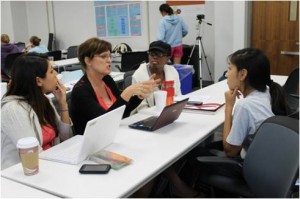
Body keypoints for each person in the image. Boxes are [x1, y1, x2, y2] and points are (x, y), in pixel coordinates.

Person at [184, 48, 290, 193]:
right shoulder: (267, 91)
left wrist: (229, 107)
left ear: (243, 74)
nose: (226, 74)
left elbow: (230, 150)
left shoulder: (245, 106)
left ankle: (188, 193)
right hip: (272, 164)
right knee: (208, 147)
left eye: (229, 69)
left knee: (190, 154)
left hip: (250, 169)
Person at [71, 37, 159, 135]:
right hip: (93, 143)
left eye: (110, 56)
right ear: (88, 61)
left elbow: (123, 110)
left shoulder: (107, 79)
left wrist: (140, 95)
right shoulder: (80, 90)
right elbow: (105, 122)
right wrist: (127, 93)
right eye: (103, 56)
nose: (109, 60)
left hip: (113, 135)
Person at [1, 53, 73, 170]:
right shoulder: (14, 109)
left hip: (50, 165)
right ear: (39, 81)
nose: (56, 74)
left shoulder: (44, 100)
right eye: (51, 72)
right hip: (22, 175)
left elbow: (66, 136)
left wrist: (63, 103)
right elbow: (33, 155)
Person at [131, 40, 181, 113]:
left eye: (159, 54)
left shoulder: (172, 72)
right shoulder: (139, 75)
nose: (154, 57)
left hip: (169, 113)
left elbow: (177, 97)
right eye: (152, 54)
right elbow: (141, 107)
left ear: (167, 58)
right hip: (145, 117)